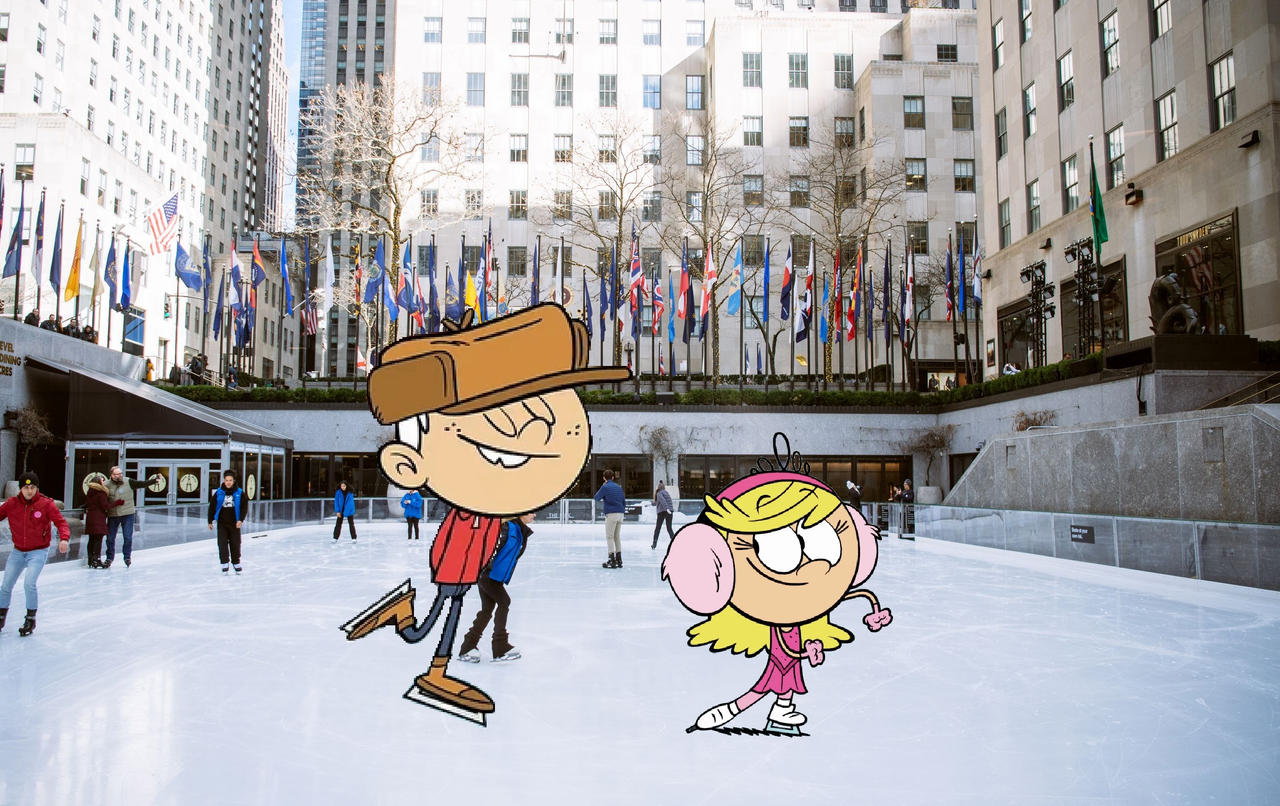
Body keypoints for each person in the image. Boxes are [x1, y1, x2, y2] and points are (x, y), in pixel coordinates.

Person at [339, 304, 628, 724]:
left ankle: (443, 647)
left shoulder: (500, 512)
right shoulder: (476, 504)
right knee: (443, 615)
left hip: (470, 564)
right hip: (459, 563)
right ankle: (435, 655)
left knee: (454, 612)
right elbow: (481, 522)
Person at [662, 434, 891, 735]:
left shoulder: (800, 603)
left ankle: (776, 708)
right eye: (781, 549)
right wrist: (809, 649)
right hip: (787, 650)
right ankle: (767, 709)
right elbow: (785, 645)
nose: (816, 567)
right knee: (769, 684)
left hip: (792, 644)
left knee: (773, 684)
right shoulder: (775, 612)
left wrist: (871, 608)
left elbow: (851, 595)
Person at [457, 512, 535, 664]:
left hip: (494, 576)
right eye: (531, 512)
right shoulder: (507, 528)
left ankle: (468, 647)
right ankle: (500, 646)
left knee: (487, 610)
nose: (534, 515)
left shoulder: (518, 529)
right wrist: (485, 568)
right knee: (504, 601)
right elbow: (490, 547)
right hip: (487, 574)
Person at [0, 471, 71, 636]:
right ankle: (1, 615)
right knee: (5, 586)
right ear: (20, 489)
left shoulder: (46, 504)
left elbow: (61, 523)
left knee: (29, 583)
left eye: (32, 487)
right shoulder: (11, 504)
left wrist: (64, 539)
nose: (29, 491)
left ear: (36, 487)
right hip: (18, 551)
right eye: (26, 487)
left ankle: (30, 618)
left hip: (38, 551)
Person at [103, 465, 143, 568]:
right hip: (113, 515)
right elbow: (100, 498)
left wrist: (153, 481)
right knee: (110, 538)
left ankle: (127, 557)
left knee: (127, 537)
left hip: (128, 514)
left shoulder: (128, 481)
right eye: (117, 474)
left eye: (121, 473)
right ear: (112, 475)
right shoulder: (106, 485)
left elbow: (141, 484)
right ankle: (109, 558)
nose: (120, 475)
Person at [207, 470, 246, 574]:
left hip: (234, 523)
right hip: (222, 523)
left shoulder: (239, 493)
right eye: (226, 480)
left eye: (230, 480)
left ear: (233, 481)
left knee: (235, 543)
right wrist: (210, 521)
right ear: (224, 481)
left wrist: (240, 520)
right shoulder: (219, 493)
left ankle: (236, 562)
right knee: (222, 543)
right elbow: (212, 507)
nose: (228, 482)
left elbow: (244, 507)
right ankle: (224, 563)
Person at [83, 473, 121, 569]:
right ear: (99, 482)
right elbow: (105, 506)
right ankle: (97, 560)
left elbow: (87, 504)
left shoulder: (90, 491)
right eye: (102, 481)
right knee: (98, 540)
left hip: (91, 517)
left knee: (92, 539)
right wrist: (117, 503)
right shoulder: (101, 493)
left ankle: (91, 559)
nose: (104, 482)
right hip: (98, 518)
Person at [594, 469, 626, 568]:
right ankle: (619, 559)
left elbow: (596, 497)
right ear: (613, 477)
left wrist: (603, 490)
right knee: (617, 536)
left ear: (604, 478)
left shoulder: (605, 487)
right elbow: (623, 501)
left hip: (611, 514)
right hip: (620, 513)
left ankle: (611, 559)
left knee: (609, 536)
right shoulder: (619, 487)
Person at [651, 480, 675, 550]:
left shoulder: (659, 493)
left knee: (658, 528)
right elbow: (661, 501)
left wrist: (666, 508)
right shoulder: (666, 493)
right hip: (669, 511)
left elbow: (663, 501)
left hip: (663, 512)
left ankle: (654, 544)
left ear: (658, 488)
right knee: (669, 528)